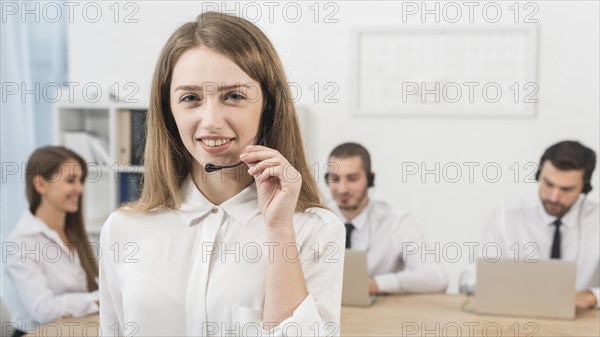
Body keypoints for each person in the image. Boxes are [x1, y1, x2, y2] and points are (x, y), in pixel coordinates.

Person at [99, 12, 345, 336]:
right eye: (190, 98)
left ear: (267, 106)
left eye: (234, 96)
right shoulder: (123, 230)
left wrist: (279, 229)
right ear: (168, 110)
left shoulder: (314, 231)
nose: (211, 119)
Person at [477, 140, 599, 309]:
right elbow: (476, 279)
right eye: (548, 184)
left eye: (566, 189)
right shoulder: (505, 217)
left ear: (585, 188)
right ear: (538, 176)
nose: (554, 197)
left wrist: (592, 296)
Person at [325, 142, 448, 295]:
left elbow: (436, 276)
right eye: (335, 178)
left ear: (370, 179)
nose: (342, 188)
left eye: (352, 178)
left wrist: (376, 284)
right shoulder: (314, 219)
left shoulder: (397, 222)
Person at [5, 146, 99, 336]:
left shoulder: (74, 232)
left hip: (72, 328)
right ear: (40, 185)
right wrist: (96, 300)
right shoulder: (21, 241)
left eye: (80, 181)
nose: (80, 189)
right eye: (71, 180)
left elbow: (96, 283)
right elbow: (43, 310)